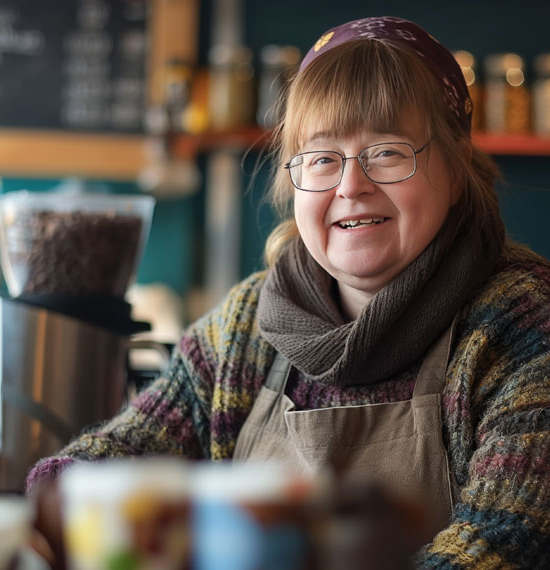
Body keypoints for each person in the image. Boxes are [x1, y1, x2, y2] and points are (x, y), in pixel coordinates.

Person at [27, 16, 550, 569]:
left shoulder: (522, 322)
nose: (351, 185)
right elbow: (110, 462)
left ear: (456, 165)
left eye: (388, 152)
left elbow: (502, 541)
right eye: (323, 158)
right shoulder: (246, 324)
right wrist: (63, 504)